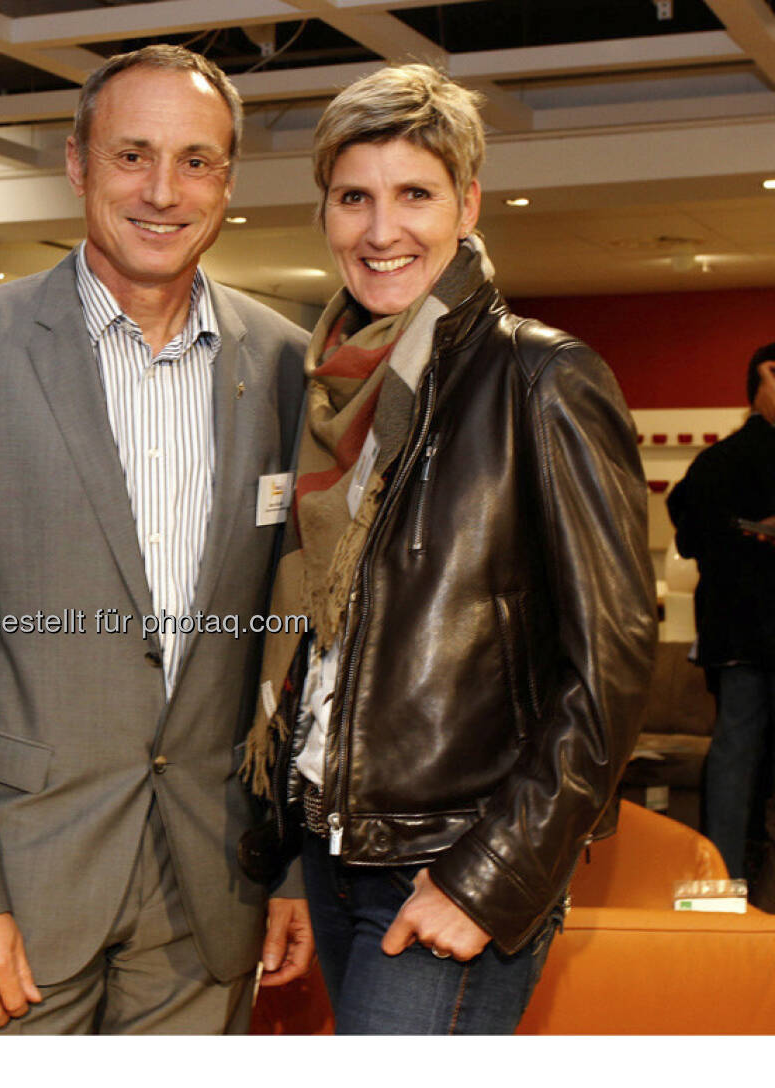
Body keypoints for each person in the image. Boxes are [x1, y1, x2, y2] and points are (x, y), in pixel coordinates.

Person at [0, 44, 311, 1035]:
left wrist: (290, 861)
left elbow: (297, 649)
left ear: (228, 180)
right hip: (19, 887)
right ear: (77, 164)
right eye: (133, 155)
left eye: (196, 161)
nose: (164, 190)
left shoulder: (293, 363)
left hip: (211, 887)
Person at [244, 64, 657, 1034]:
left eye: (414, 194)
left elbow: (613, 664)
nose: (381, 230)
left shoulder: (541, 376)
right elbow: (319, 650)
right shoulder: (323, 395)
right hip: (335, 853)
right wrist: (292, 860)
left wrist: (492, 876)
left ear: (467, 203)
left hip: (453, 859)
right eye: (354, 197)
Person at [667, 344, 775, 887]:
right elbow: (693, 533)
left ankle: (724, 877)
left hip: (738, 632)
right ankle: (723, 875)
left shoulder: (719, 462)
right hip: (744, 633)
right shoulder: (726, 461)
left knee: (738, 750)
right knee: (738, 750)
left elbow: (692, 533)